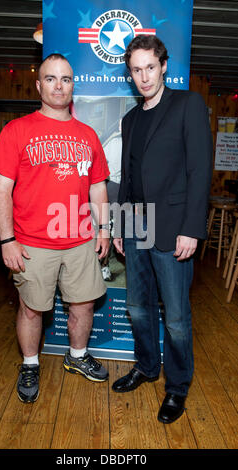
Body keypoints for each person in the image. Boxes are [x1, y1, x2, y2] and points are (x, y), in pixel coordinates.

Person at [0, 53, 110, 403]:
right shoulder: (17, 131)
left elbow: (98, 186)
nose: (59, 85)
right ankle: (30, 363)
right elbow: (1, 189)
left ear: (73, 86)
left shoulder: (87, 135)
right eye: (52, 79)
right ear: (39, 85)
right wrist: (7, 240)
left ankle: (76, 356)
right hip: (31, 243)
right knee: (31, 308)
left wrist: (104, 230)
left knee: (83, 305)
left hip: (80, 240)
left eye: (66, 79)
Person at [112, 35, 213, 424]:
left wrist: (191, 228)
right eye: (136, 70)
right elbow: (129, 178)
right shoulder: (131, 118)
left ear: (164, 66)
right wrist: (120, 223)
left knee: (175, 315)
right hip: (136, 223)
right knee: (137, 307)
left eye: (150, 67)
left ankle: (177, 387)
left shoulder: (187, 105)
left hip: (172, 227)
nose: (144, 76)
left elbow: (199, 171)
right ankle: (146, 366)